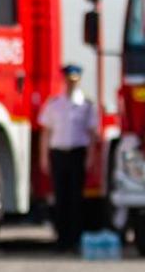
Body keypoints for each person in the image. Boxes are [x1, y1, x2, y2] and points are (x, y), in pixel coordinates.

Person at [38, 63, 100, 252]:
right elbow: (46, 132)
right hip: (59, 153)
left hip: (77, 153)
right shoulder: (55, 103)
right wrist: (44, 157)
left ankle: (75, 239)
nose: (72, 84)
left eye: (75, 80)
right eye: (69, 80)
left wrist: (91, 157)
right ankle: (61, 239)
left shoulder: (86, 105)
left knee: (75, 198)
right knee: (60, 197)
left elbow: (92, 134)